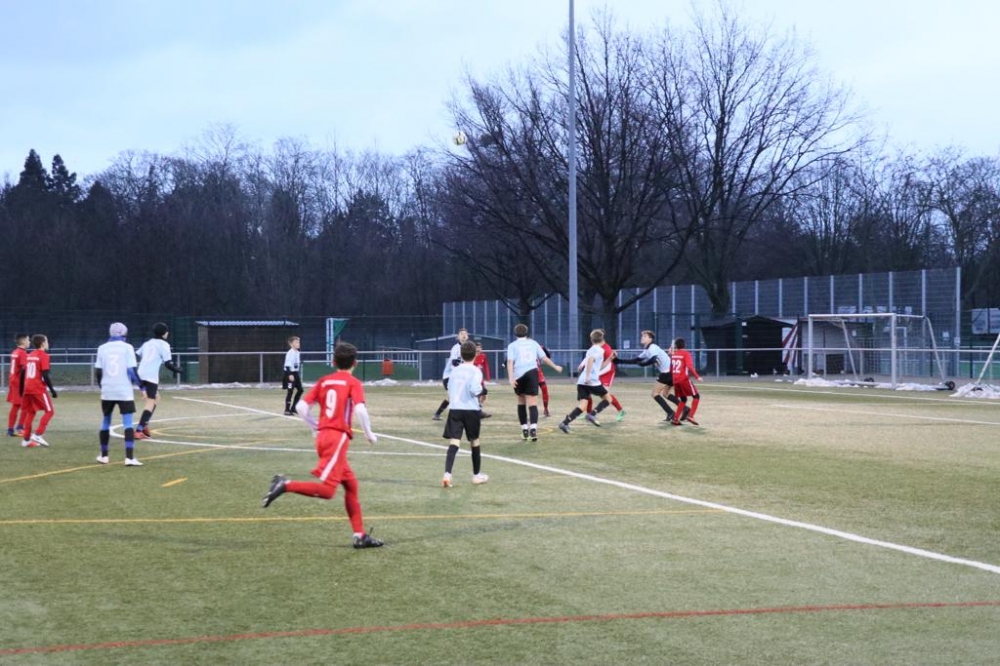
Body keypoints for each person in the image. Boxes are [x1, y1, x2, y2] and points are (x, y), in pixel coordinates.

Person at [261, 342, 384, 549]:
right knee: (328, 491)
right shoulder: (353, 382)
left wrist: (316, 426)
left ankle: (360, 535)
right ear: (355, 363)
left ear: (333, 361)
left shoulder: (324, 381)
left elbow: (301, 407)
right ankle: (285, 485)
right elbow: (360, 410)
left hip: (323, 438)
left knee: (351, 485)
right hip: (337, 438)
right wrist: (369, 435)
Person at [441, 340, 489, 487]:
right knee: (474, 441)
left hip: (455, 409)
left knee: (454, 442)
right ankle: (476, 475)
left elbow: (449, 388)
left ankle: (447, 474)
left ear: (461, 355)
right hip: (471, 410)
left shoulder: (455, 371)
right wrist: (483, 391)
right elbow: (475, 390)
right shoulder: (475, 371)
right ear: (475, 354)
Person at [94, 322, 142, 465]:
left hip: (107, 390)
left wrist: (102, 386)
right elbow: (131, 371)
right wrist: (142, 387)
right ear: (124, 333)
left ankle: (104, 456)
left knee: (106, 421)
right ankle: (129, 458)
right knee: (127, 423)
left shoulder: (102, 348)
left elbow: (98, 371)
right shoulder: (127, 347)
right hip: (124, 390)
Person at [506, 323, 562, 441]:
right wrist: (555, 366)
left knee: (521, 402)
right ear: (527, 333)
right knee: (533, 403)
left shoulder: (512, 345)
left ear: (515, 334)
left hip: (518, 374)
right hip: (532, 373)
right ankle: (533, 430)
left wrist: (511, 378)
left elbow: (510, 362)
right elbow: (544, 358)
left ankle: (524, 430)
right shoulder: (533, 343)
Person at [615, 330, 680, 422]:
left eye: (645, 336)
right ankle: (684, 409)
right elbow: (636, 360)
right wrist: (618, 361)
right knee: (666, 394)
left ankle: (670, 412)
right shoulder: (647, 350)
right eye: (642, 336)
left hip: (667, 372)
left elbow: (654, 359)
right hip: (671, 372)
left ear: (650, 339)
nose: (642, 338)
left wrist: (643, 364)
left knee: (655, 394)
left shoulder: (653, 347)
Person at [135, 322, 184, 439]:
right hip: (150, 376)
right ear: (165, 333)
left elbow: (137, 354)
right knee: (150, 402)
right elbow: (167, 363)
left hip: (140, 374)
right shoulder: (164, 345)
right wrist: (177, 370)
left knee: (156, 397)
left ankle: (144, 424)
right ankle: (139, 430)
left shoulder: (148, 343)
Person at [559, 329, 611, 432]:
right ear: (602, 339)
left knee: (582, 406)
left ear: (591, 340)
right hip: (591, 381)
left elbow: (598, 367)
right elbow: (591, 360)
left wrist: (609, 359)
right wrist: (588, 376)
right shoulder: (599, 350)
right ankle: (592, 414)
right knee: (608, 399)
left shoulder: (590, 349)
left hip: (582, 382)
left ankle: (564, 423)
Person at [18, 334, 57, 448]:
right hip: (37, 388)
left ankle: (26, 440)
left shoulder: (30, 355)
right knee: (49, 411)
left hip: (27, 388)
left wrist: (21, 389)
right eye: (47, 341)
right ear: (43, 343)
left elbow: (22, 373)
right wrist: (52, 390)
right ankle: (38, 434)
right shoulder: (43, 355)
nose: (48, 343)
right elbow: (45, 375)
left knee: (30, 412)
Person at [585, 332, 626, 422]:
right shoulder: (596, 346)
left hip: (607, 372)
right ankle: (589, 414)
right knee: (587, 391)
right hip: (599, 372)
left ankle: (621, 411)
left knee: (605, 395)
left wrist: (596, 374)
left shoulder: (606, 350)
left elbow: (608, 365)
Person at [432, 328, 468, 421]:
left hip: (457, 377)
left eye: (465, 334)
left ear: (467, 336)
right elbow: (454, 363)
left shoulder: (468, 348)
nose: (463, 336)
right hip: (450, 376)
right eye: (461, 334)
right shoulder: (456, 348)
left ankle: (437, 414)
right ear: (458, 337)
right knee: (453, 397)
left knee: (452, 397)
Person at [669, 337, 703, 426]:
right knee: (696, 396)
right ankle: (691, 416)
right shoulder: (686, 353)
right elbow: (690, 366)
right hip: (683, 379)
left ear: (676, 346)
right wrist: (697, 377)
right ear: (684, 345)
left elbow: (671, 369)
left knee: (683, 399)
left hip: (675, 380)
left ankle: (675, 419)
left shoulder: (674, 355)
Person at [6, 333, 29, 438]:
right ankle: (19, 428)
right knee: (26, 405)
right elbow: (24, 369)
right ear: (23, 341)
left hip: (13, 381)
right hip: (19, 383)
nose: (29, 342)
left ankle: (11, 429)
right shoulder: (22, 353)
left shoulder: (15, 352)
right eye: (28, 340)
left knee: (16, 406)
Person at [282, 336, 303, 415]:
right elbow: (287, 365)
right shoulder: (290, 353)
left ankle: (293, 408)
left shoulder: (297, 352)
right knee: (290, 391)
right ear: (291, 344)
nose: (298, 344)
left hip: (295, 373)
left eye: (298, 342)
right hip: (289, 373)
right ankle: (287, 410)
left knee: (300, 390)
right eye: (296, 342)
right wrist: (290, 374)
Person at [472, 342, 492, 418]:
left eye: (480, 348)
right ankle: (477, 411)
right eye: (477, 348)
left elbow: (486, 366)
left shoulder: (483, 356)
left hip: (480, 379)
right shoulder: (472, 357)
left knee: (484, 394)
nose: (478, 349)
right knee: (477, 395)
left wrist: (488, 376)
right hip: (474, 380)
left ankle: (478, 407)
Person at [537, 344, 552, 417]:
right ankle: (531, 411)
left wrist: (544, 349)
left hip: (538, 372)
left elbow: (548, 356)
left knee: (544, 389)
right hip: (529, 373)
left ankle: (546, 409)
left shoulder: (536, 347)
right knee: (531, 394)